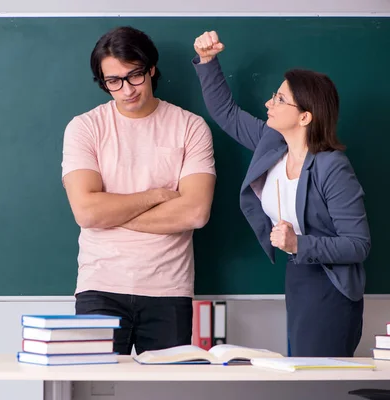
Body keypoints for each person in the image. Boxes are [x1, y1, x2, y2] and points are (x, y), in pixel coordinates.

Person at [192, 31, 370, 357]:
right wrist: (208, 60)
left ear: (305, 116)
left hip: (331, 284)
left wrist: (298, 243)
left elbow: (358, 244)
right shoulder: (271, 144)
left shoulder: (332, 167)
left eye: (279, 99)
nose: (268, 103)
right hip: (297, 276)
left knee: (315, 383)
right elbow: (226, 114)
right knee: (300, 376)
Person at [61, 26, 216, 355]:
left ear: (151, 69)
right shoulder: (85, 128)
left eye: (134, 76)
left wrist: (110, 213)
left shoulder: (190, 127)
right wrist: (156, 196)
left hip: (169, 289)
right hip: (99, 286)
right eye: (113, 82)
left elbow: (195, 212)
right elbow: (86, 212)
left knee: (164, 392)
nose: (126, 90)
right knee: (93, 389)